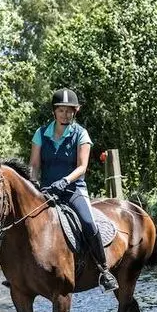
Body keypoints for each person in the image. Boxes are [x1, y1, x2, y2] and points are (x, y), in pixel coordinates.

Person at [29, 88, 118, 292]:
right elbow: (34, 164)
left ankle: (104, 270)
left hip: (73, 189)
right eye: (61, 110)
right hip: (46, 191)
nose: (65, 115)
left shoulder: (81, 134)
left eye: (69, 111)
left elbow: (82, 166)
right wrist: (33, 184)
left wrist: (64, 181)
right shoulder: (41, 133)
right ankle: (20, 272)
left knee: (88, 222)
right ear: (54, 111)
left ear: (74, 112)